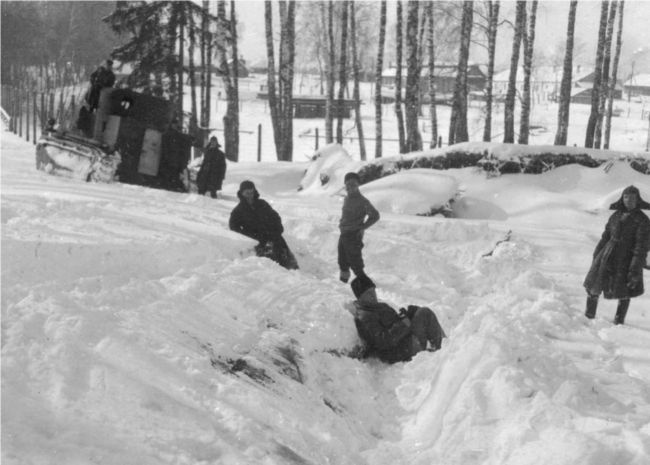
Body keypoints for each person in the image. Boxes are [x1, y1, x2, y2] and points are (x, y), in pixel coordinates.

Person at [583, 185, 650, 324]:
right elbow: (605, 236)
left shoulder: (642, 220)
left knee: (625, 292)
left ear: (638, 200)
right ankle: (588, 318)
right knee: (594, 287)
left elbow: (641, 247)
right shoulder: (616, 215)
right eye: (626, 197)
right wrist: (597, 255)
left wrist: (635, 268)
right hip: (606, 256)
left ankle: (619, 323)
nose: (629, 200)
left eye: (632, 197)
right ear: (622, 198)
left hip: (626, 259)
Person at [346, 276, 446, 363]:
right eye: (368, 294)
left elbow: (393, 323)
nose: (373, 296)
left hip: (404, 341)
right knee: (424, 313)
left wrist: (407, 315)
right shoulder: (365, 317)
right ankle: (444, 351)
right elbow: (384, 341)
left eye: (373, 291)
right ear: (360, 298)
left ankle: (445, 347)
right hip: (400, 350)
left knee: (419, 312)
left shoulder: (374, 307)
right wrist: (405, 322)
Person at [229, 180, 298, 270]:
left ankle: (294, 272)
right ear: (242, 193)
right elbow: (233, 227)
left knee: (285, 256)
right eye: (247, 193)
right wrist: (249, 235)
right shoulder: (238, 210)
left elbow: (275, 216)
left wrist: (278, 229)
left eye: (251, 192)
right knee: (270, 262)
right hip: (257, 239)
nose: (250, 195)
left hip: (273, 235)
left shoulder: (262, 203)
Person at [338, 172, 380, 283]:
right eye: (347, 184)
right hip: (344, 234)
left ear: (358, 185)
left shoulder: (363, 201)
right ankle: (342, 285)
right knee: (342, 261)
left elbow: (375, 215)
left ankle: (367, 288)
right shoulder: (347, 198)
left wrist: (363, 227)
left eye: (353, 184)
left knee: (355, 264)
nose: (350, 187)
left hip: (353, 235)